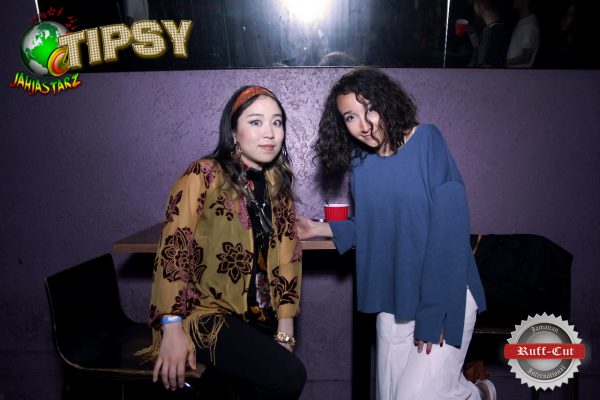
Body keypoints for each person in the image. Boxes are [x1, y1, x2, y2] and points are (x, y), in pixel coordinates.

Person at [296, 67, 495, 400]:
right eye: (350, 117)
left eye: (370, 108)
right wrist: (317, 228)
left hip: (444, 291)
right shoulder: (361, 163)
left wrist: (434, 311)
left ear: (387, 102)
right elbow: (375, 226)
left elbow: (449, 232)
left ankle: (478, 394)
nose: (364, 124)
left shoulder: (428, 141)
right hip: (394, 296)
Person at [138, 85, 306, 399]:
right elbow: (175, 248)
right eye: (255, 122)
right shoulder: (202, 174)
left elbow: (288, 259)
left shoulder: (277, 185)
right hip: (205, 314)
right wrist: (172, 328)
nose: (269, 132)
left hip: (257, 316)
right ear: (233, 131)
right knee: (290, 376)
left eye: (277, 122)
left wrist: (285, 332)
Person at [468, 0, 512, 67]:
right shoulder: (502, 28)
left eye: (474, 3)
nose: (474, 7)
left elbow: (485, 65)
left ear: (482, 4)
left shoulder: (490, 31)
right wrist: (472, 34)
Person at [505, 0, 540, 67]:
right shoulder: (524, 23)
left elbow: (526, 57)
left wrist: (502, 62)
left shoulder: (529, 25)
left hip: (518, 73)